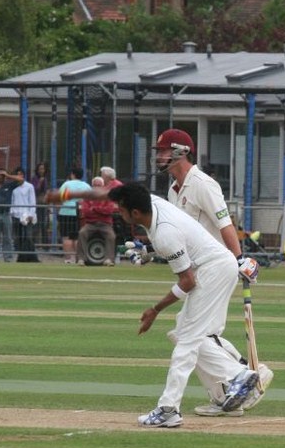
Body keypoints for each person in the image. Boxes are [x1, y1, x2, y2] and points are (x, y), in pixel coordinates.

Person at [77, 182, 259, 428]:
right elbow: (177, 247)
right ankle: (235, 375)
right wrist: (148, 252)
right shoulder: (151, 203)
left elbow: (187, 281)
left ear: (136, 213)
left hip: (213, 271)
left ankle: (170, 408)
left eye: (122, 209)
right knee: (183, 333)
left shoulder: (164, 233)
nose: (119, 213)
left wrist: (155, 309)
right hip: (215, 267)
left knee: (188, 341)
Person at [151, 128, 271, 416]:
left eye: (163, 150)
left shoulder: (203, 184)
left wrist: (240, 259)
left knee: (187, 333)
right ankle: (226, 395)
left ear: (181, 151)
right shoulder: (173, 190)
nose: (159, 156)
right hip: (198, 268)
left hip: (216, 267)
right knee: (197, 334)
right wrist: (147, 253)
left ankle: (243, 375)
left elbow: (224, 223)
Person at [75, 176, 116, 266]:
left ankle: (109, 259)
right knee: (82, 233)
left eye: (99, 185)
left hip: (105, 224)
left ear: (103, 186)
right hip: (90, 223)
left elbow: (109, 210)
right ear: (92, 186)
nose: (97, 187)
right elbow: (85, 211)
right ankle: (81, 259)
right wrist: (100, 210)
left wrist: (94, 209)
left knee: (111, 236)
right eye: (95, 185)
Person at [55, 167, 90, 264]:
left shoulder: (67, 184)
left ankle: (68, 259)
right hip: (79, 213)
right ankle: (77, 258)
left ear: (72, 174)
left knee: (66, 237)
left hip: (65, 212)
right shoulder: (86, 186)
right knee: (77, 237)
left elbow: (60, 198)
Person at [9, 167, 39, 262]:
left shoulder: (29, 187)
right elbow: (13, 203)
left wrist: (31, 213)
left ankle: (31, 257)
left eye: (20, 174)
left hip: (27, 216)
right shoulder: (14, 190)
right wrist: (12, 213)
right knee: (18, 238)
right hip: (17, 216)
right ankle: (21, 257)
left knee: (28, 237)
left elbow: (32, 201)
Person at [29, 162, 50, 245]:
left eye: (43, 169)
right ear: (37, 170)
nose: (42, 170)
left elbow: (47, 190)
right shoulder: (34, 179)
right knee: (36, 223)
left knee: (44, 224)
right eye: (40, 169)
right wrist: (40, 182)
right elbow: (34, 190)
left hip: (44, 203)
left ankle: (45, 245)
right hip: (36, 203)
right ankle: (34, 243)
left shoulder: (45, 178)